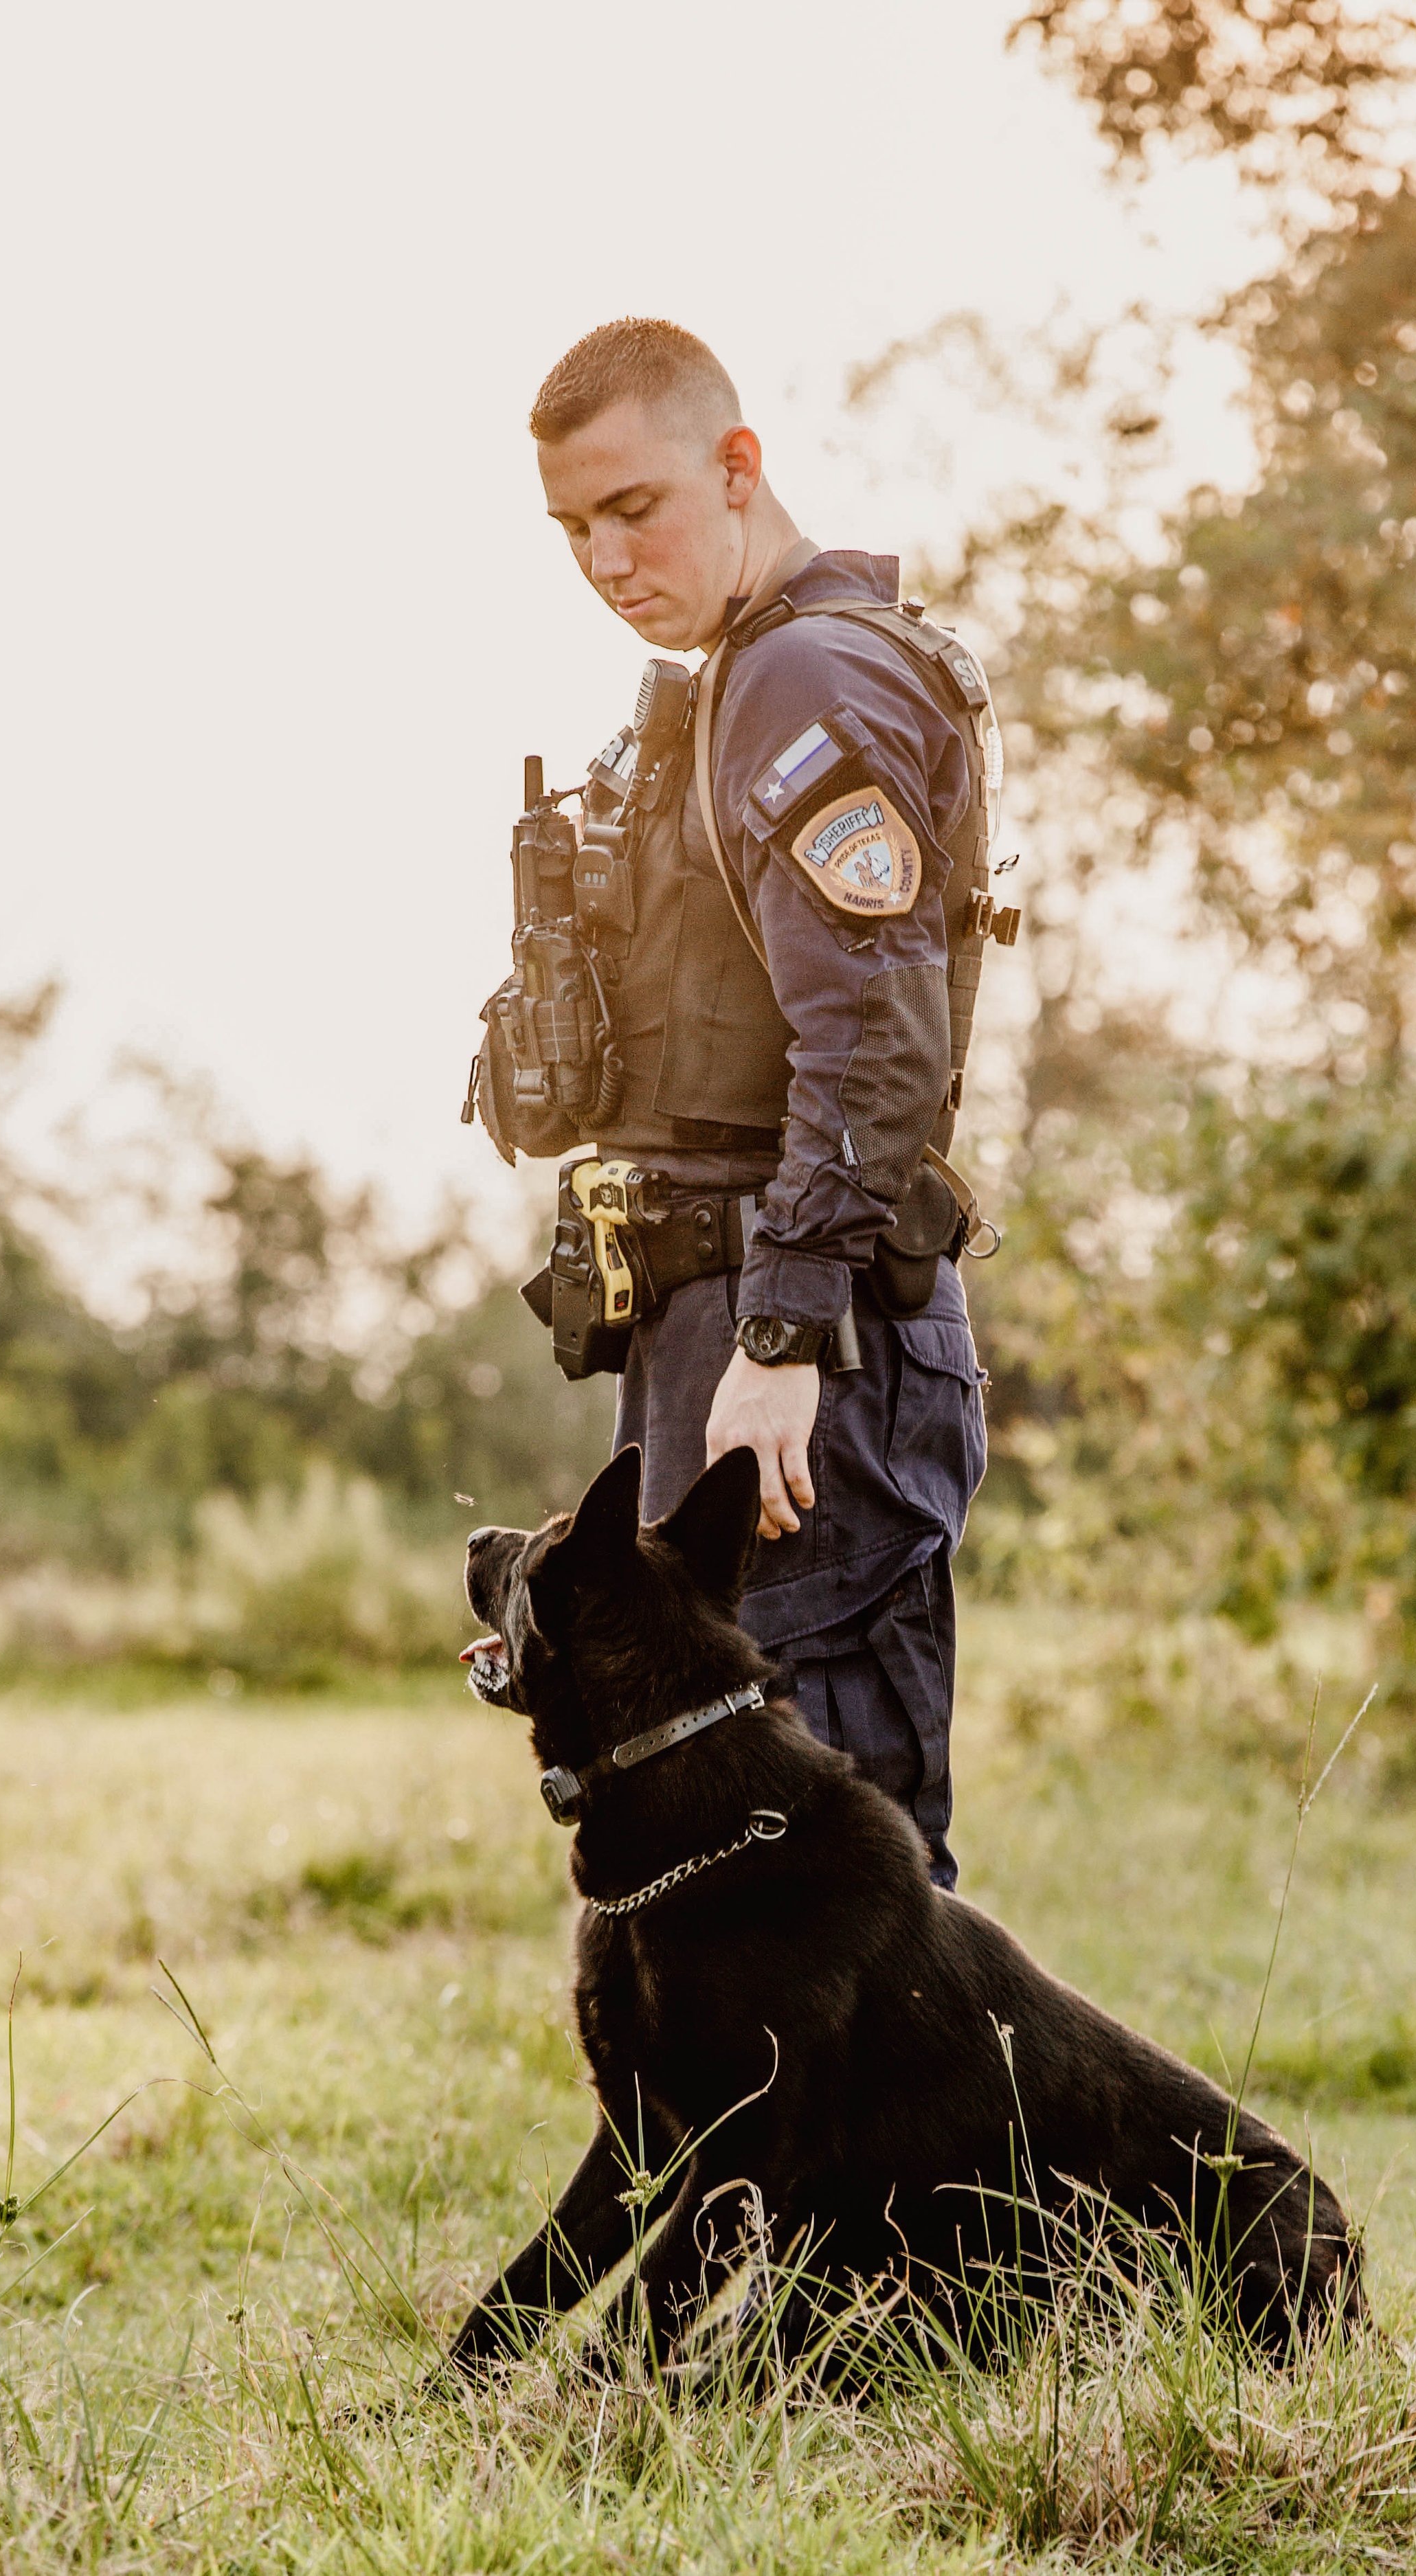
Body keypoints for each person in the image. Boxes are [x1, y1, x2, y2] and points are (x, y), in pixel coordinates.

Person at [473, 317, 1018, 1888]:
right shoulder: (739, 678)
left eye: (631, 508)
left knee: (839, 1856)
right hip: (730, 1325)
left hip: (809, 1346)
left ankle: (923, 2148)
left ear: (736, 465)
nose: (602, 556)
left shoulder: (804, 680)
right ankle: (729, 2146)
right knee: (717, 1836)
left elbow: (874, 1049)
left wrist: (780, 1338)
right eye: (572, 527)